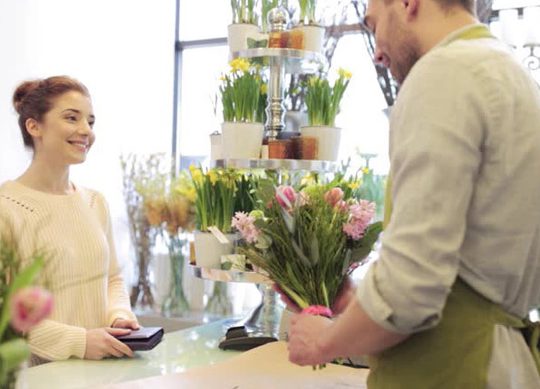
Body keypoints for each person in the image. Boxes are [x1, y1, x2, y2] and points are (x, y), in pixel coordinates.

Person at [286, 0, 540, 387]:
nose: (379, 52)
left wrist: (323, 340)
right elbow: (463, 277)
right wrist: (355, 307)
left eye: (374, 27)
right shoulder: (514, 77)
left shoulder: (443, 74)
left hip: (452, 371)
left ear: (407, 3)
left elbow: (410, 291)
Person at [0, 76, 140, 363]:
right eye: (71, 118)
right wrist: (79, 341)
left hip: (100, 373)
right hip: (36, 376)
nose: (85, 130)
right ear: (33, 126)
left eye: (90, 121)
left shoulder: (94, 202)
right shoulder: (7, 208)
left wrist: (119, 317)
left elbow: (112, 278)